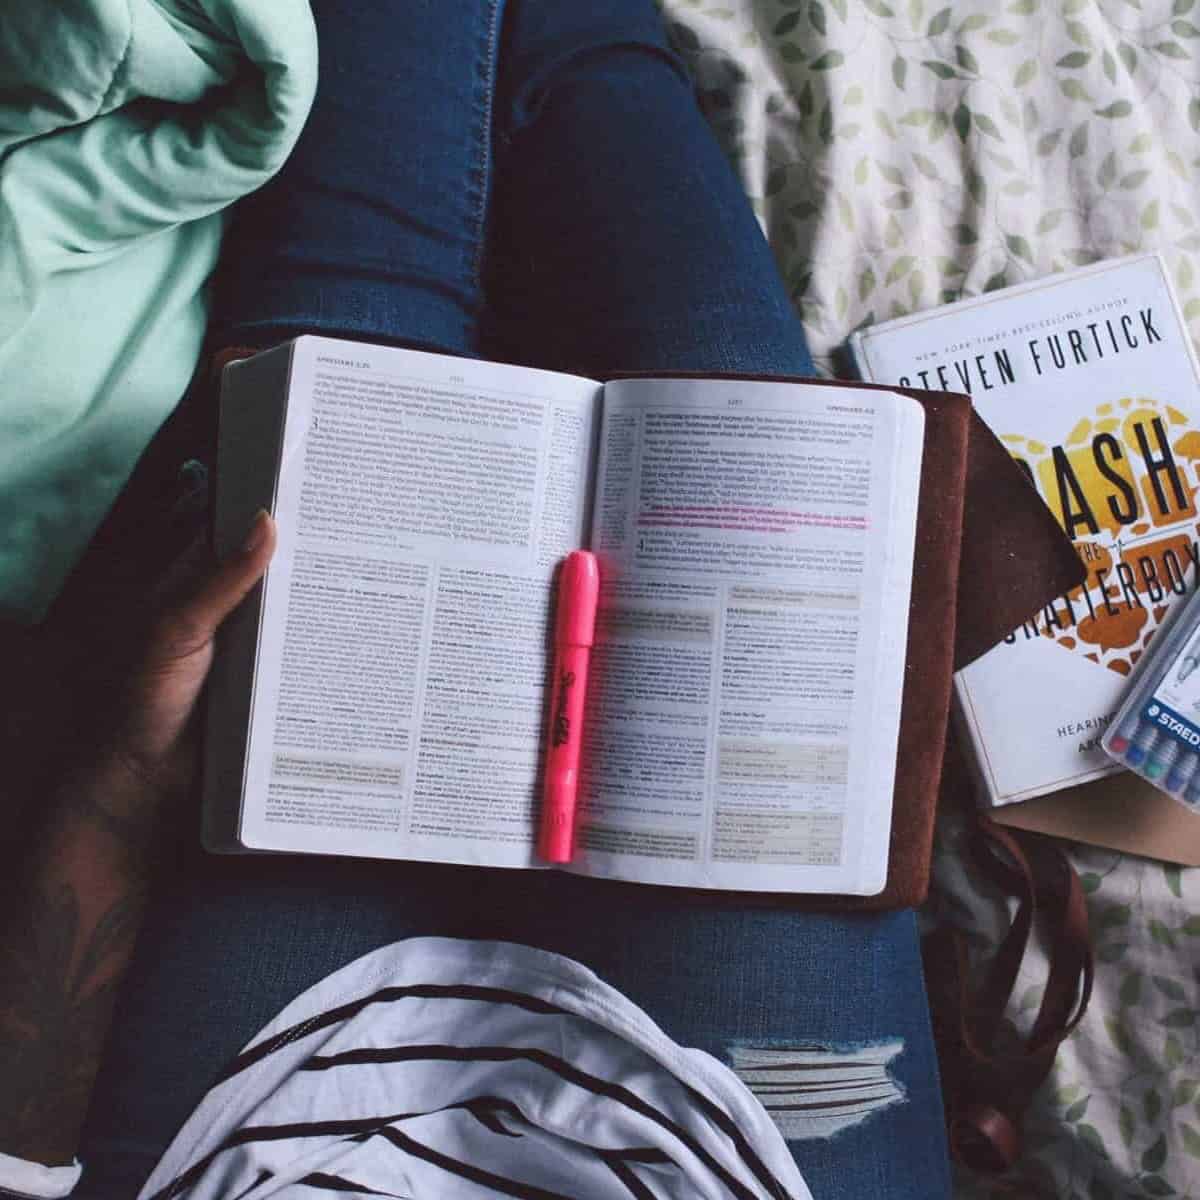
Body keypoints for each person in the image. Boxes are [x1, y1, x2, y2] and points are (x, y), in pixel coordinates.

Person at [0, 2, 953, 1197]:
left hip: (246, 1141)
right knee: (717, 392)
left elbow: (17, 1154)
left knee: (345, 340)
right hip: (734, 1158)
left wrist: (126, 769)